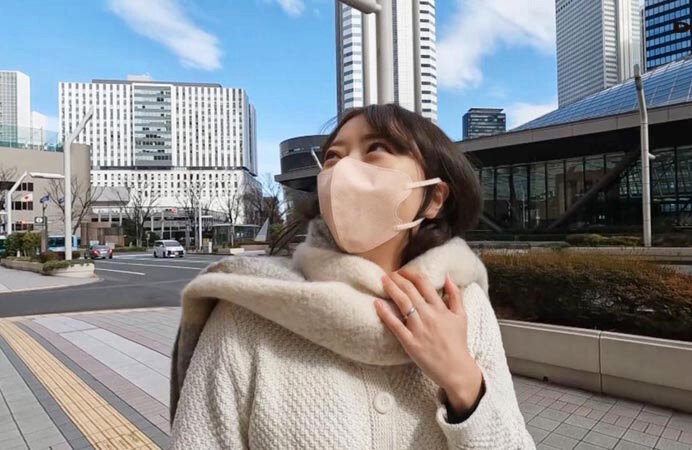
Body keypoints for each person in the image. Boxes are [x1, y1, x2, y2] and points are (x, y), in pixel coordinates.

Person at [169, 104, 536, 449]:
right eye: (333, 157)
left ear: (434, 198)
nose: (343, 170)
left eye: (376, 148)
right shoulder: (249, 310)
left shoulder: (465, 306)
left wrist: (464, 382)